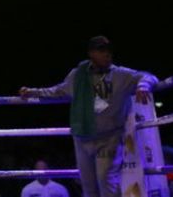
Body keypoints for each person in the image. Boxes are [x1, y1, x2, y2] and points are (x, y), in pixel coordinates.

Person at [19, 36, 158, 197]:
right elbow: (57, 91)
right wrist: (32, 92)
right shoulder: (78, 75)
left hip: (109, 138)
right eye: (102, 50)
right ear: (91, 53)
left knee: (107, 184)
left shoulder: (120, 74)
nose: (107, 54)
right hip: (82, 138)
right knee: (88, 187)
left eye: (108, 51)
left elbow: (148, 76)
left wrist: (143, 85)